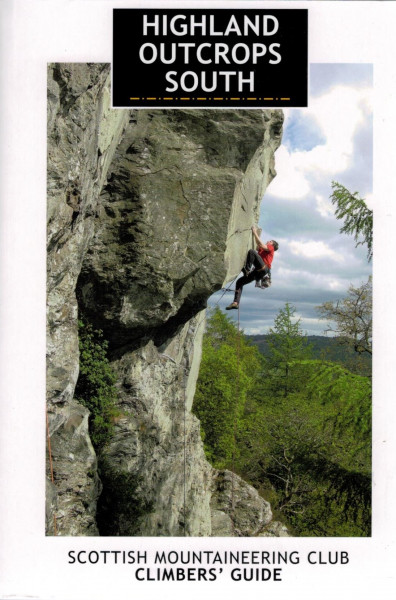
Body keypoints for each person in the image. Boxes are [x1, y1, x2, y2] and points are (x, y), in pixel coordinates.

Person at [226, 226, 279, 310]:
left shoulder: (271, 248)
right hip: (258, 272)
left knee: (252, 252)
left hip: (264, 268)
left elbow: (260, 245)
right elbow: (258, 245)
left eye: (270, 241)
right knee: (239, 282)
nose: (268, 241)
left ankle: (247, 270)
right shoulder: (262, 250)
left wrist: (254, 232)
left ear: (272, 245)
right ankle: (235, 303)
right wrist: (256, 235)